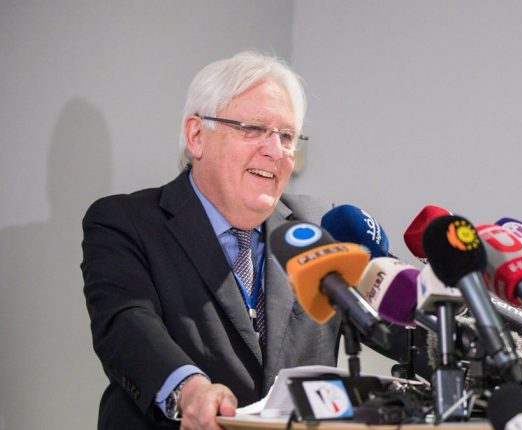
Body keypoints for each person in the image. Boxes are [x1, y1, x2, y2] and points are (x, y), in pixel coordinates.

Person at [82, 51, 344, 429]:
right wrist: (188, 390)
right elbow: (128, 324)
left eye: (286, 136)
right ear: (196, 136)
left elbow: (391, 316)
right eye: (253, 128)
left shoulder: (319, 226)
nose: (274, 151)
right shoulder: (126, 223)